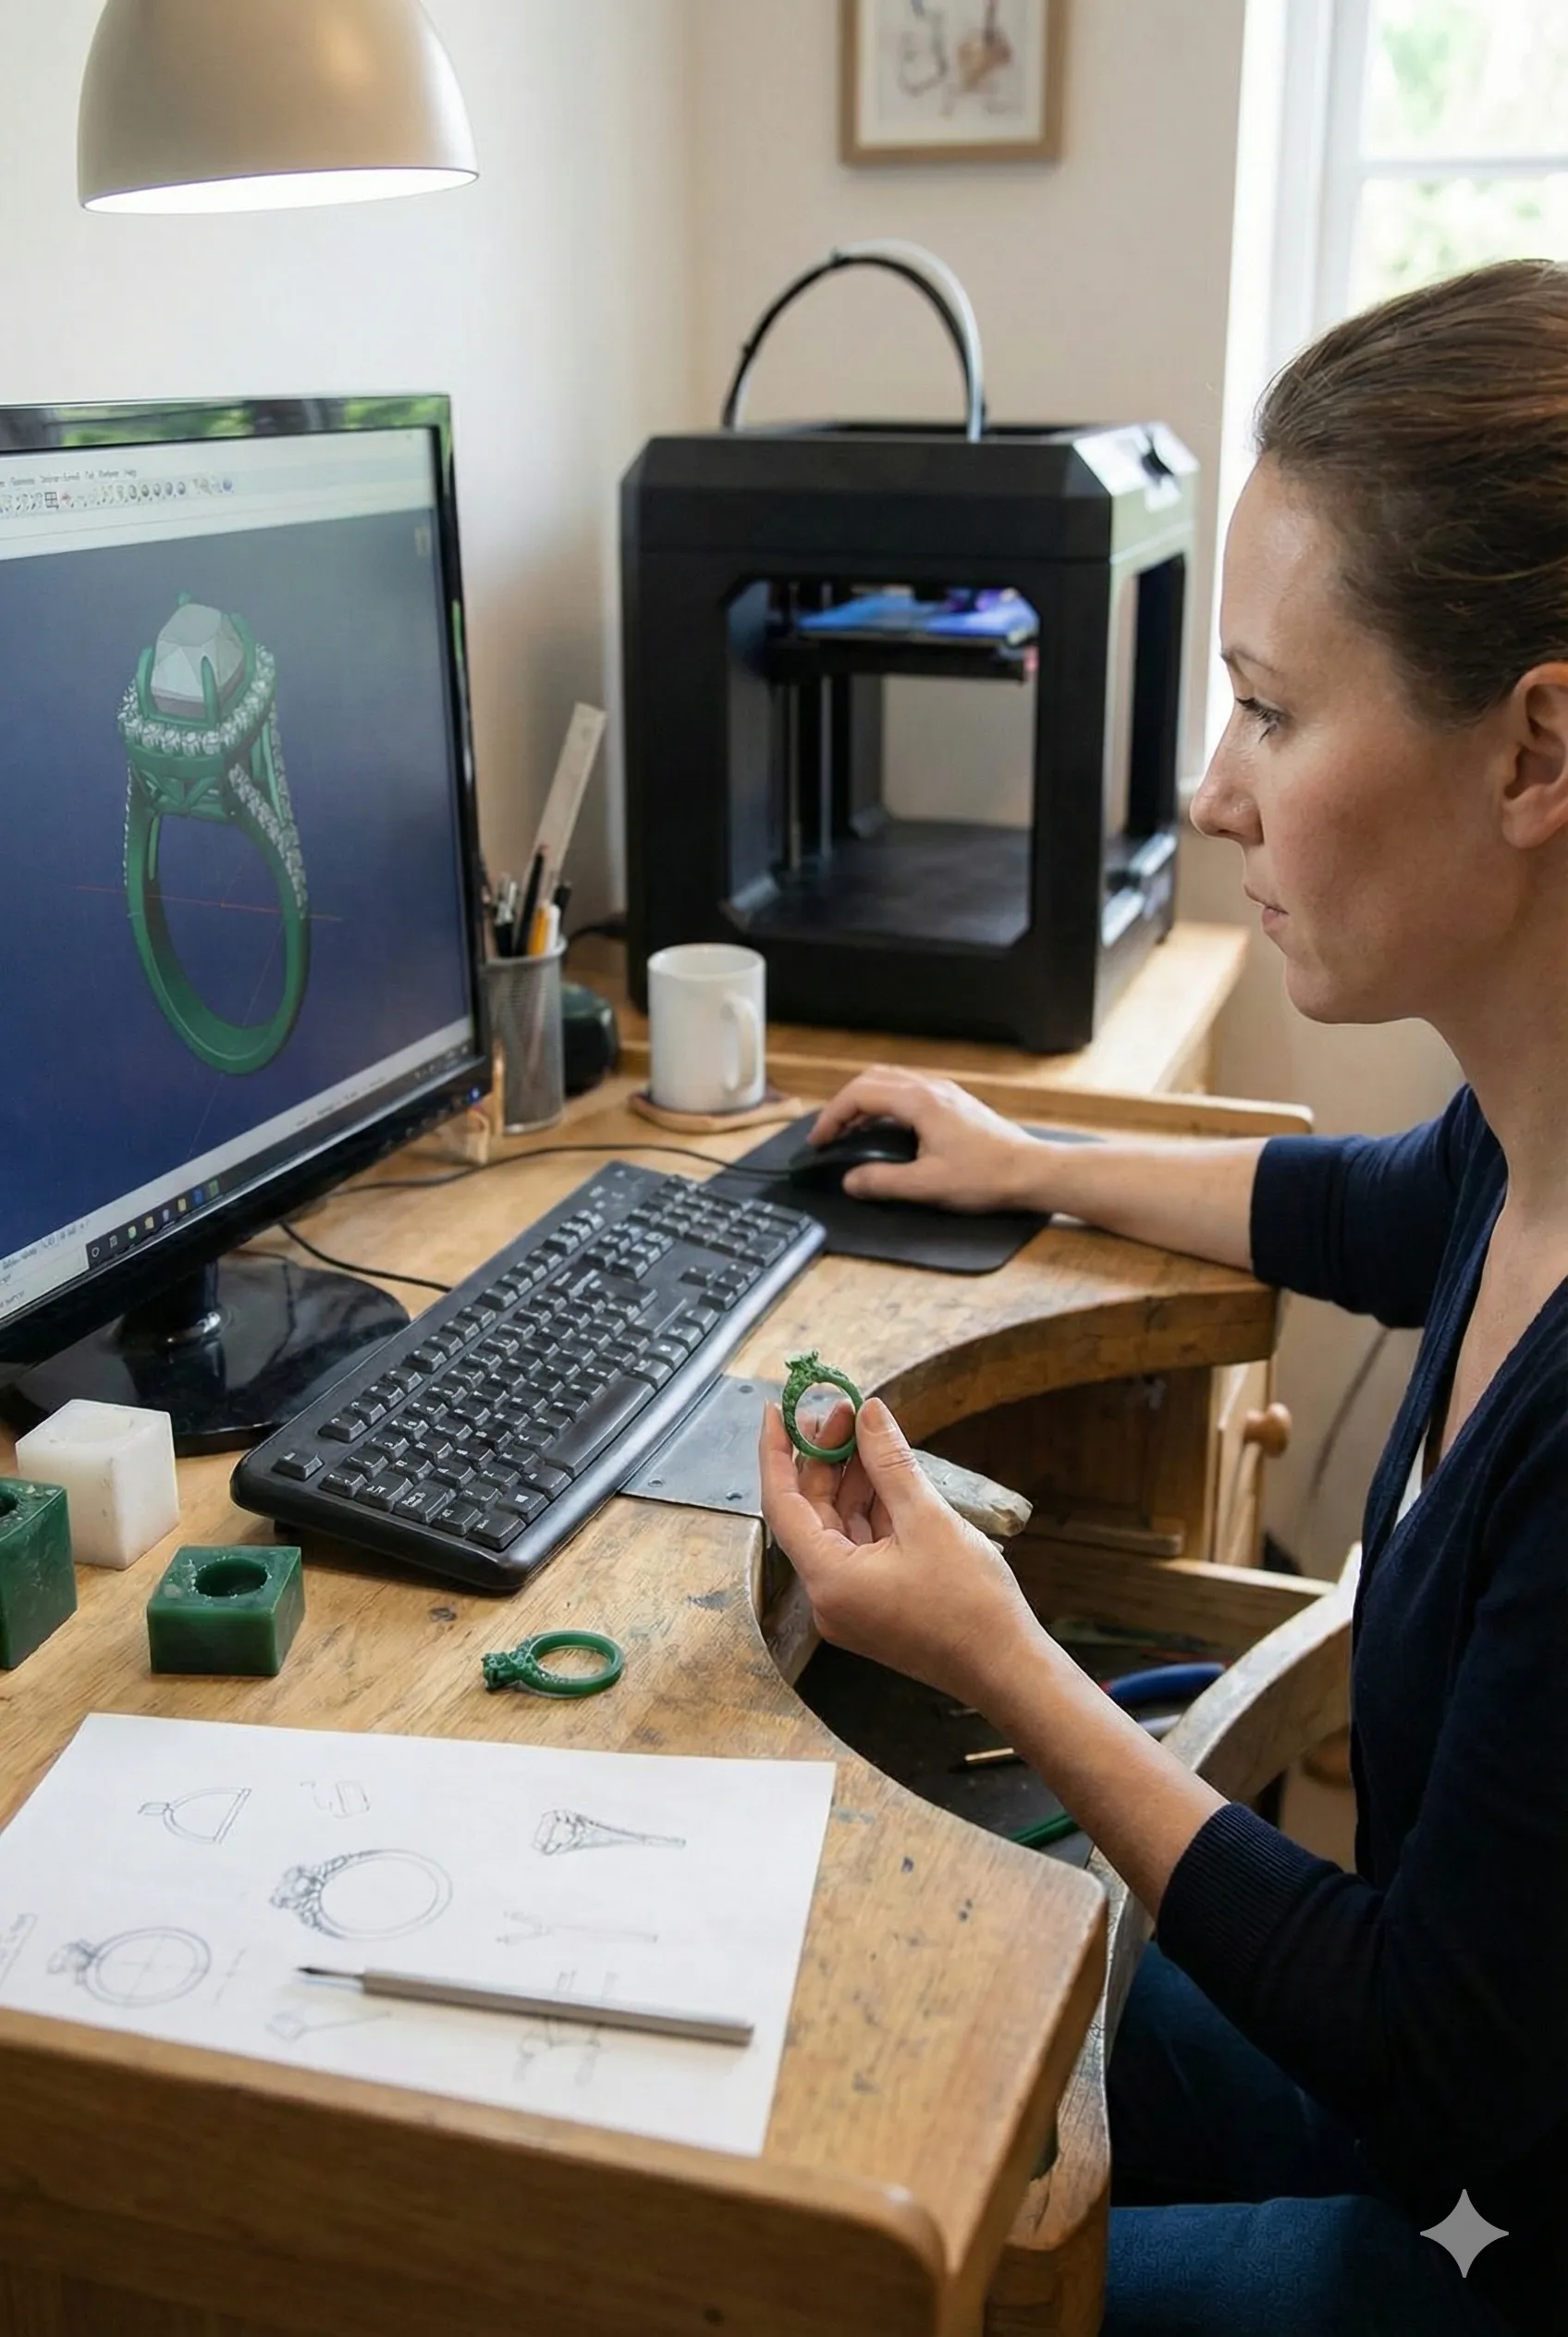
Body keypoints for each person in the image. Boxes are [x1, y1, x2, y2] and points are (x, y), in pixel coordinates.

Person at [759, 259, 1568, 2336]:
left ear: (1536, 742)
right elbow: (1370, 1204)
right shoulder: (1522, 1136)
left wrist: (996, 1653)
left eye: (1273, 711)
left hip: (1481, 2235)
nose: (1214, 792)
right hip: (1468, 2113)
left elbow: (1423, 2048)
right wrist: (1028, 1150)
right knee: (900, 2072)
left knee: (873, 2284)